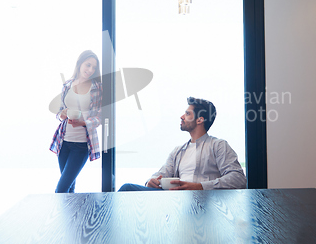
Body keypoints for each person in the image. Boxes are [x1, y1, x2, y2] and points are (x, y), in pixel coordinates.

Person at [118, 97, 247, 191]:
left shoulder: (218, 145)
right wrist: (151, 181)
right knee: (128, 189)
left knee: (126, 188)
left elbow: (238, 179)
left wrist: (199, 187)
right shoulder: (178, 151)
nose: (182, 116)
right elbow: (162, 173)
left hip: (206, 201)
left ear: (200, 120)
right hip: (175, 200)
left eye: (187, 113)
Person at [50, 50, 102, 193]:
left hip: (81, 145)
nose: (90, 70)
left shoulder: (96, 88)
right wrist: (63, 114)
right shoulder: (67, 85)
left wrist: (83, 121)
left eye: (93, 68)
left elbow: (99, 117)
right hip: (63, 142)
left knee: (61, 189)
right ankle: (71, 216)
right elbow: (59, 112)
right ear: (80, 63)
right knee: (69, 188)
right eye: (88, 65)